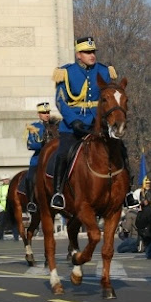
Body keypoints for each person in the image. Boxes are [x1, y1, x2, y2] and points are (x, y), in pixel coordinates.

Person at [51, 36, 117, 210]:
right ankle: (58, 192)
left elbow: (109, 98)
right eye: (87, 52)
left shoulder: (104, 71)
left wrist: (100, 119)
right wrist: (73, 121)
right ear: (78, 54)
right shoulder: (66, 72)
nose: (92, 55)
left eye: (93, 51)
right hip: (73, 126)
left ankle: (125, 193)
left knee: (119, 149)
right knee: (63, 154)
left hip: (97, 124)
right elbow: (60, 101)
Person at [25, 102, 52, 212]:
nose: (46, 115)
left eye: (48, 112)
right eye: (44, 112)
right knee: (30, 178)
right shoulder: (34, 127)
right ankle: (31, 202)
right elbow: (30, 144)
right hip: (38, 159)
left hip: (52, 158)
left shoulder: (55, 126)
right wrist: (43, 143)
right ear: (39, 114)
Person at [0, 175, 18, 241]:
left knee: (14, 223)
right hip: (3, 208)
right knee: (2, 223)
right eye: (4, 179)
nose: (6, 181)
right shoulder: (0, 188)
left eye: (7, 179)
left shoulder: (12, 187)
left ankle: (16, 237)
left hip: (11, 208)